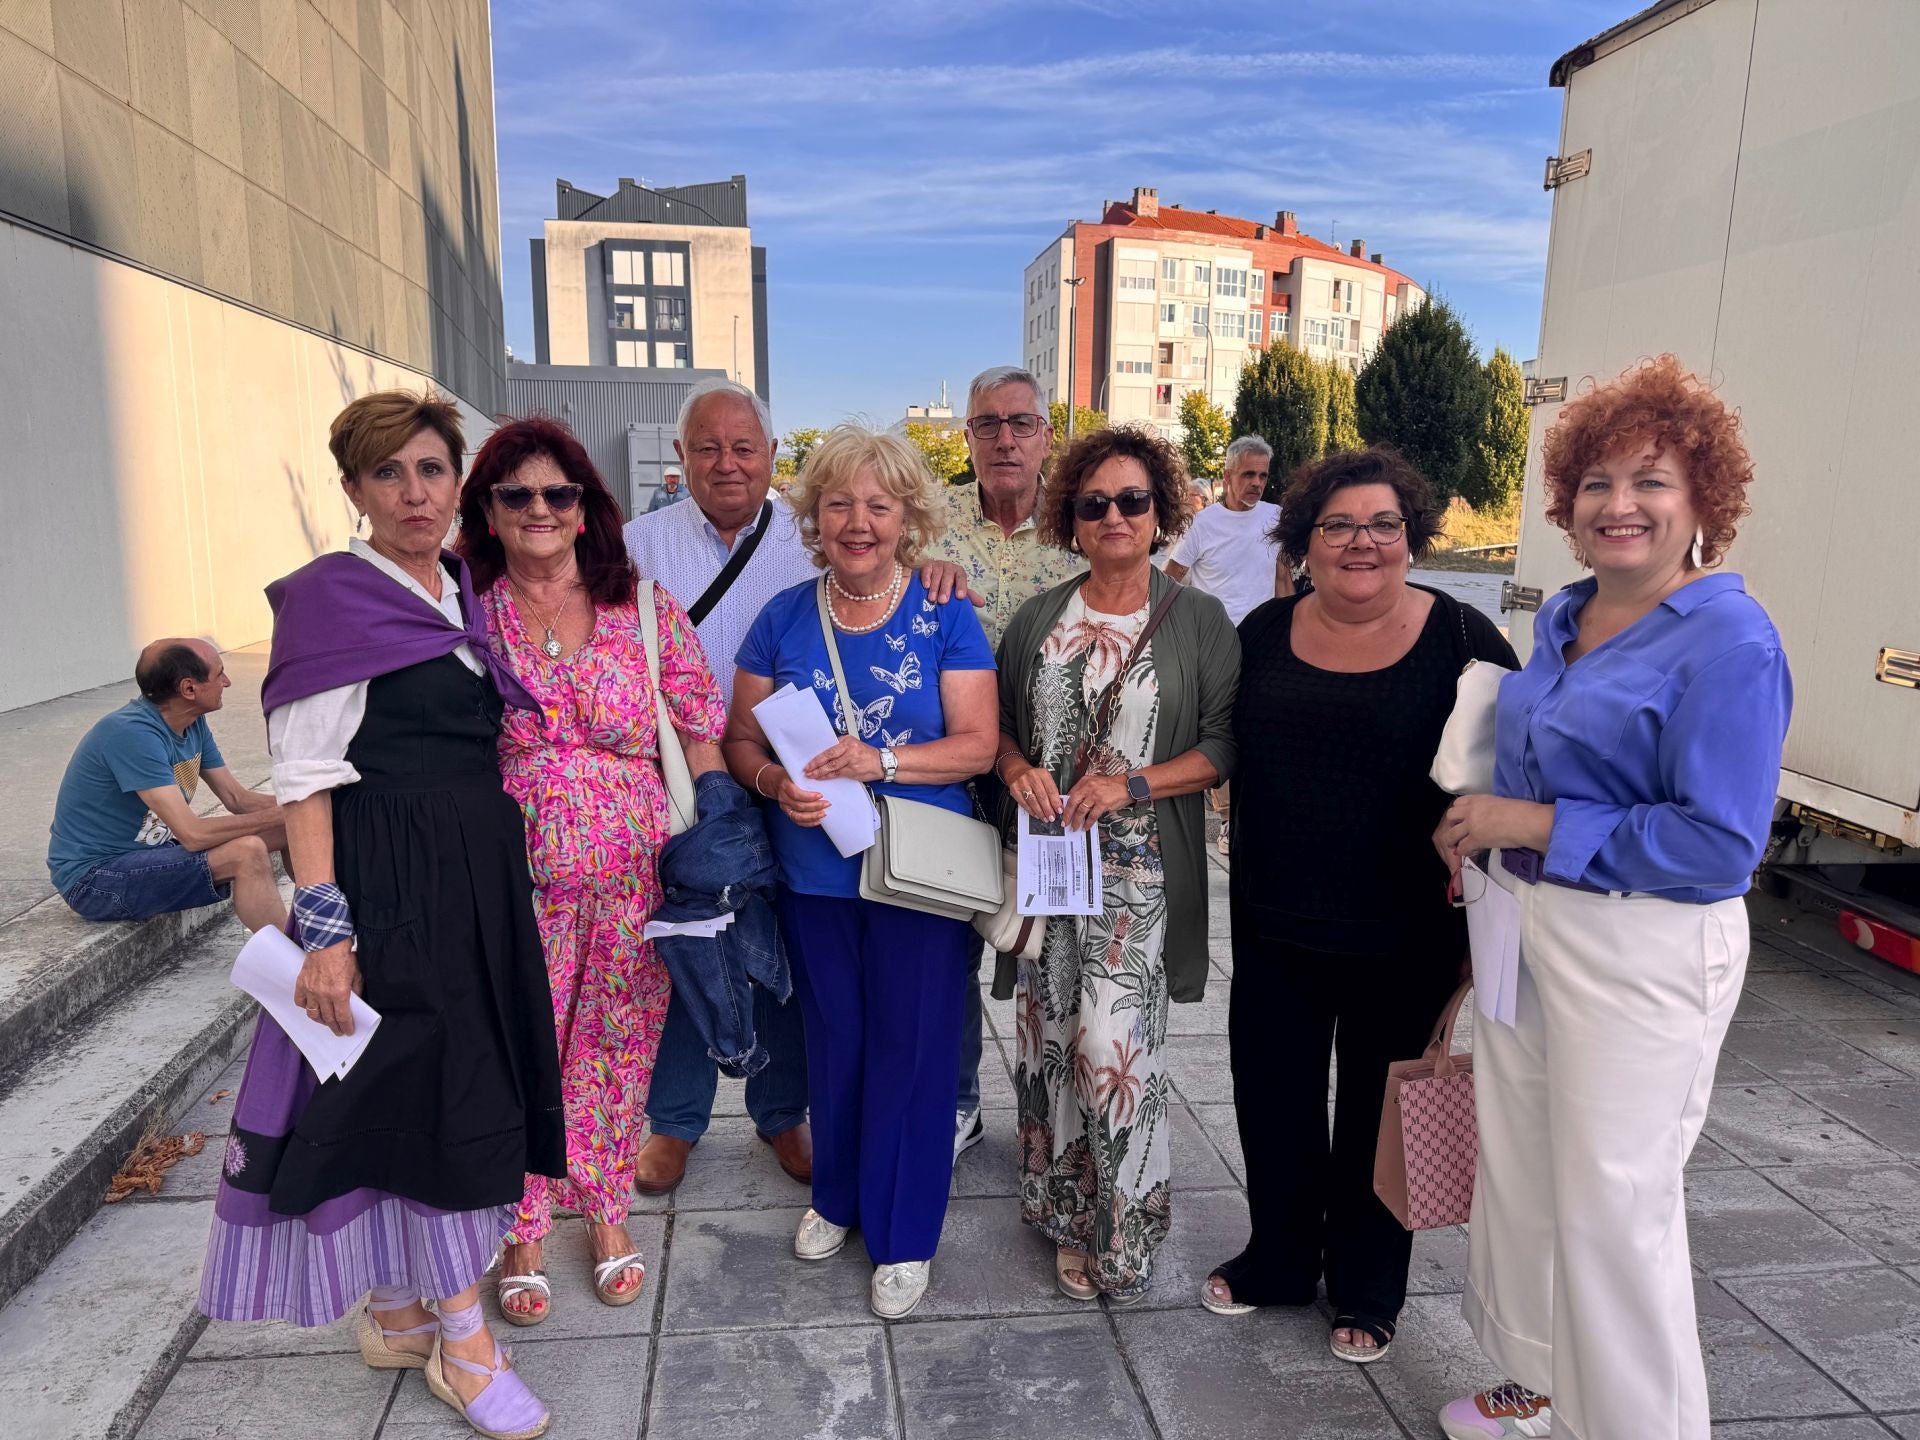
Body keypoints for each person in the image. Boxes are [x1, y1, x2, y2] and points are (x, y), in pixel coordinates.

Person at [1435, 357, 1791, 1440]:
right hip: (1527, 922)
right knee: (1527, 1175)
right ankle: (1539, 1388)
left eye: (1651, 481)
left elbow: (1718, 844)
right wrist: (1482, 825)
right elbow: (1537, 766)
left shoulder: (1731, 642)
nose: (1618, 504)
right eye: (1596, 483)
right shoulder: (1567, 615)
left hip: (1645, 944)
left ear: (1703, 503)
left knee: (1614, 1209)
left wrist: (1530, 824)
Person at [197, 390, 565, 1439]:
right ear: (354, 489)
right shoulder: (331, 599)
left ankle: (400, 1312)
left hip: (469, 884)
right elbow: (308, 778)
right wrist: (328, 932)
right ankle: (465, 1345)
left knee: (414, 1091)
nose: (415, 493)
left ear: (459, 483)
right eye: (388, 473)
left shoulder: (455, 585)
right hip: (393, 886)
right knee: (440, 1094)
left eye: (432, 470)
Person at [1200, 447, 1517, 1365]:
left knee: (1383, 1110)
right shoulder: (1262, 632)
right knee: (1274, 1099)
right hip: (1275, 920)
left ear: (1412, 536)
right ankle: (1279, 1261)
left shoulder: (1465, 638)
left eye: (1383, 524)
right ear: (1305, 541)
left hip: (1409, 929)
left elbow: (1517, 771)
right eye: (1337, 525)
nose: (1361, 542)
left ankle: (1369, 1288)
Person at [457, 416, 729, 1325]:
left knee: (616, 1047)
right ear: (488, 511)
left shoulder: (642, 608)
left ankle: (607, 1209)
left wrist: (716, 843)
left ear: (584, 509)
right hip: (511, 881)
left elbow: (699, 728)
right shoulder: (466, 613)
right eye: (516, 493)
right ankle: (523, 1225)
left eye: (558, 492)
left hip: (634, 878)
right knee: (518, 1046)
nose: (539, 507)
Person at [724, 423, 998, 1319]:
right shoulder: (783, 617)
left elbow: (978, 745)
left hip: (920, 872)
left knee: (913, 1049)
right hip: (816, 871)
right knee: (834, 1040)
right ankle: (837, 1198)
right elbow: (739, 739)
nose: (858, 521)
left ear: (906, 516)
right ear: (815, 517)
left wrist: (881, 760)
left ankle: (905, 1230)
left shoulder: (944, 611)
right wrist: (773, 782)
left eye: (879, 505)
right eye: (839, 503)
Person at [994, 424, 1238, 1304]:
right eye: (1094, 503)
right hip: (1053, 862)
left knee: (1112, 1045)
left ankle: (1127, 1230)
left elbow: (1222, 747)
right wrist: (1017, 771)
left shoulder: (1198, 619)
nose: (1114, 516)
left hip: (1142, 875)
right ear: (1072, 517)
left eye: (1133, 499)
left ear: (1160, 510)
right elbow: (1000, 731)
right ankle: (1066, 1215)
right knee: (1052, 1039)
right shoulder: (1039, 618)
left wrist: (1130, 784)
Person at [623, 378, 818, 1196]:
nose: (727, 463)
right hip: (675, 778)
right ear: (681, 456)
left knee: (782, 945)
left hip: (787, 773)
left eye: (744, 447)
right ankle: (674, 1121)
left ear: (772, 454)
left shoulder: (812, 539)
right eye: (708, 447)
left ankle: (782, 1110)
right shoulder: (635, 544)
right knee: (686, 940)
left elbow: (885, 574)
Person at [919, 364, 1085, 1159]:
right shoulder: (929, 521)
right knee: (947, 941)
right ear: (968, 437)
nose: (1005, 439)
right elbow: (872, 587)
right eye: (988, 424)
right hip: (954, 767)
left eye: (1021, 423)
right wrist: (915, 574)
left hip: (1054, 775)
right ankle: (957, 1104)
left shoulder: (1084, 519)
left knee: (1051, 943)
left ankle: (1052, 1114)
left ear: (1047, 435)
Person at [49, 639, 288, 931]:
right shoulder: (132, 734)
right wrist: (285, 813)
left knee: (293, 828)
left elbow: (237, 799)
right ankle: (295, 955)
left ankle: (323, 929)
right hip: (95, 880)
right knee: (246, 852)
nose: (227, 682)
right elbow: (193, 834)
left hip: (145, 857)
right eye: (219, 674)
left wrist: (308, 806)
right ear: (189, 689)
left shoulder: (192, 723)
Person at [1165, 434, 1293, 856]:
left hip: (1266, 640)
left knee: (1263, 726)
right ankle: (1225, 819)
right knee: (1223, 728)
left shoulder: (1275, 518)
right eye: (1248, 475)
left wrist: (1292, 626)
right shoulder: (1202, 525)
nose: (1257, 483)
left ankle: (1255, 811)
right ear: (1228, 476)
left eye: (1263, 476)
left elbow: (1282, 577)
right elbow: (1170, 579)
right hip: (1216, 644)